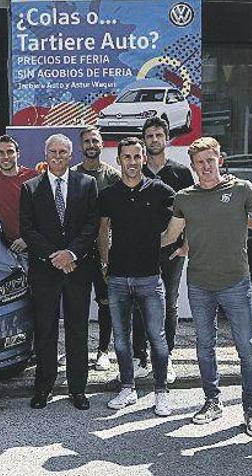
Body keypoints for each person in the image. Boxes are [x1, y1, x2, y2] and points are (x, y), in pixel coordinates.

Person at [161, 136, 252, 436]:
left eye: (210, 160)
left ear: (220, 159)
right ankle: (212, 401)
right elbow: (171, 235)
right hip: (200, 284)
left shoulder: (242, 189)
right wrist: (135, 242)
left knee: (246, 348)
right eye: (199, 162)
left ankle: (251, 408)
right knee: (205, 348)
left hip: (236, 282)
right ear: (192, 166)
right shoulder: (185, 198)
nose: (205, 166)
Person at [20, 133, 98, 411]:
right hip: (45, 271)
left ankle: (78, 389)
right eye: (52, 151)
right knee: (45, 331)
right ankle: (43, 387)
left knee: (77, 330)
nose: (57, 156)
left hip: (78, 269)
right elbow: (27, 229)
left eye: (62, 152)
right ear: (45, 154)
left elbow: (91, 225)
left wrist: (71, 254)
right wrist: (55, 256)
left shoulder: (87, 184)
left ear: (71, 154)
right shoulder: (30, 188)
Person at [97, 137, 174, 415]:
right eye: (126, 157)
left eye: (136, 156)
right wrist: (105, 264)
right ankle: (127, 388)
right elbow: (102, 231)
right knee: (121, 339)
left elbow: (181, 221)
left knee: (157, 337)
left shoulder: (162, 191)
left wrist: (176, 246)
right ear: (118, 160)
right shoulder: (108, 194)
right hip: (117, 278)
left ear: (144, 159)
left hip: (150, 278)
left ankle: (161, 392)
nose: (132, 162)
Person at [133, 116, 196, 384]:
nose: (154, 140)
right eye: (150, 136)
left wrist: (186, 243)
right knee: (139, 302)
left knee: (169, 302)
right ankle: (140, 357)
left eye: (159, 135)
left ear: (167, 138)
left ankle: (166, 356)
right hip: (139, 250)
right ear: (144, 141)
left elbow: (192, 212)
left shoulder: (181, 172)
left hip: (171, 249)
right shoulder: (136, 171)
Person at [71, 126, 120, 373]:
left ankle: (103, 351)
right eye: (87, 141)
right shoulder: (71, 175)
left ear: (102, 144)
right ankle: (76, 350)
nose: (91, 145)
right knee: (76, 303)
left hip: (105, 249)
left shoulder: (112, 176)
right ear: (81, 146)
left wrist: (108, 256)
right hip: (77, 250)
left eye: (95, 140)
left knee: (105, 302)